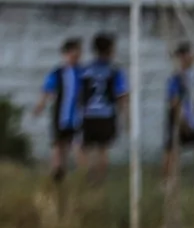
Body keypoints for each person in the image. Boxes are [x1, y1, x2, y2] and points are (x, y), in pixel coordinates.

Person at [79, 33, 128, 182]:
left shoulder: (85, 69)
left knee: (86, 148)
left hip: (88, 113)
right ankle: (100, 180)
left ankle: (88, 177)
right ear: (110, 50)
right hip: (106, 113)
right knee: (103, 149)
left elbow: (78, 93)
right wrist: (126, 116)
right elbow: (122, 95)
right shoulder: (115, 71)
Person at [33, 38, 83, 182]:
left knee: (72, 146)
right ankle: (56, 173)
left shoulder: (82, 73)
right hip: (60, 114)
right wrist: (40, 106)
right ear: (66, 54)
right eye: (74, 53)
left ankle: (73, 174)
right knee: (57, 145)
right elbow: (47, 90)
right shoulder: (58, 72)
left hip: (76, 116)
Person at [163, 42, 194, 192]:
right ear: (183, 57)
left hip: (191, 118)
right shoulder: (176, 78)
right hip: (180, 118)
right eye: (189, 55)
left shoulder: (192, 75)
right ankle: (167, 182)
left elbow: (193, 99)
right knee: (171, 150)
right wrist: (182, 121)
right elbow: (174, 102)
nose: (192, 57)